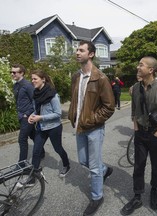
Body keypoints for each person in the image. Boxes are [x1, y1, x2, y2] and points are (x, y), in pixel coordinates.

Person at [121, 57, 157, 215]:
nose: (138, 67)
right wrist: (136, 127)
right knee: (138, 165)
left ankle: (154, 190)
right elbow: (134, 109)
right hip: (140, 134)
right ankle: (137, 195)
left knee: (156, 165)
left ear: (151, 70)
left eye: (141, 65)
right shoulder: (136, 88)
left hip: (156, 134)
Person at [68, 40, 115, 216]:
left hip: (94, 128)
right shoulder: (76, 76)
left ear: (91, 54)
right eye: (77, 50)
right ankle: (105, 170)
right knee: (83, 160)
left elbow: (109, 107)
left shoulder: (101, 78)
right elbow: (76, 100)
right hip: (80, 126)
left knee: (93, 167)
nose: (77, 52)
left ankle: (97, 197)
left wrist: (92, 119)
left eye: (81, 50)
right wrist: (73, 115)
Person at [28, 70, 70, 177]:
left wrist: (40, 117)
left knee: (58, 148)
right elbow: (37, 110)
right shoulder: (36, 93)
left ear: (43, 79)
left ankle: (66, 164)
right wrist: (32, 115)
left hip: (54, 127)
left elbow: (58, 113)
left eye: (35, 79)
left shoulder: (52, 94)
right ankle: (33, 177)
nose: (32, 81)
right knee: (36, 151)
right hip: (41, 127)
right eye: (32, 79)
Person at [11, 64, 44, 167]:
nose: (12, 74)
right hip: (21, 116)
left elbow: (35, 101)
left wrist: (28, 114)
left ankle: (21, 164)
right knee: (33, 134)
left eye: (15, 72)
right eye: (11, 72)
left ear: (22, 73)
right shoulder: (16, 85)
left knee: (22, 139)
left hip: (28, 117)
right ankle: (41, 152)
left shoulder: (27, 85)